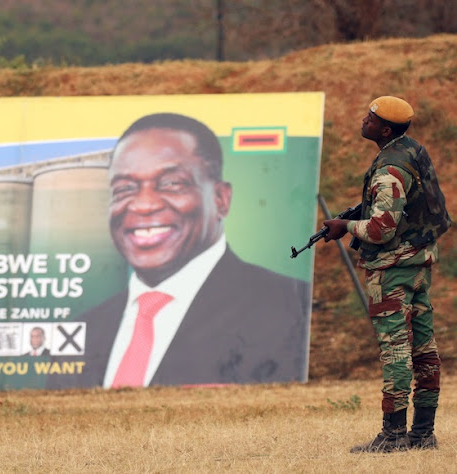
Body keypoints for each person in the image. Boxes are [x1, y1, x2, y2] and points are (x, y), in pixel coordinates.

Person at [47, 112, 310, 389]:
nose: (143, 205)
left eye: (171, 183)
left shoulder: (289, 306)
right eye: (124, 188)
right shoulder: (82, 332)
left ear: (221, 199)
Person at [323, 96, 450, 453]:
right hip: (417, 264)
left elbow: (381, 229)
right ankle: (422, 433)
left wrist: (345, 225)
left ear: (385, 129)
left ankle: (394, 435)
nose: (364, 121)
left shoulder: (389, 170)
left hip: (392, 270)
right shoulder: (412, 152)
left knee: (396, 351)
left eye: (370, 118)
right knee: (424, 349)